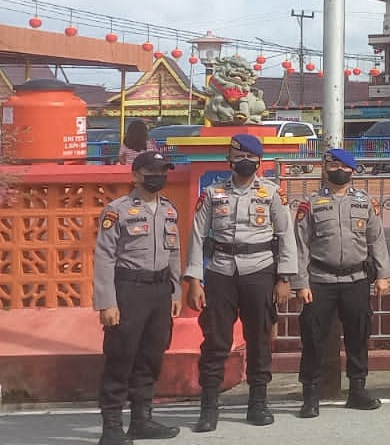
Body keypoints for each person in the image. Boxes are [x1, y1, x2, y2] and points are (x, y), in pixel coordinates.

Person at [184, 134, 297, 431]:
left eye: (250, 157)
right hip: (221, 272)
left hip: (260, 271)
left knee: (260, 339)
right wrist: (194, 279)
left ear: (259, 162)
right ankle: (209, 407)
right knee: (216, 340)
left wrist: (285, 277)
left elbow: (286, 236)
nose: (245, 162)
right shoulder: (212, 194)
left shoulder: (272, 194)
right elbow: (197, 236)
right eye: (239, 156)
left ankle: (258, 402)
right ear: (230, 159)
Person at [291, 148, 390, 417]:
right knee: (313, 338)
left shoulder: (364, 202)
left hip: (356, 279)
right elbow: (300, 245)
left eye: (343, 166)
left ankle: (357, 390)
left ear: (352, 170)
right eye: (332, 165)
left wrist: (383, 275)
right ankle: (310, 395)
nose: (337, 170)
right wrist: (300, 283)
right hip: (320, 280)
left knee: (358, 336)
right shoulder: (310, 203)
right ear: (325, 169)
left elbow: (376, 240)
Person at [94, 151, 182, 445]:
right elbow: (104, 258)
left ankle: (141, 420)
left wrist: (175, 291)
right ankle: (112, 426)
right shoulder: (117, 211)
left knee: (151, 357)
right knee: (121, 356)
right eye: (151, 171)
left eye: (162, 170)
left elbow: (174, 253)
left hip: (159, 291)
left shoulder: (169, 210)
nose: (158, 176)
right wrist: (107, 302)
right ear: (135, 176)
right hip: (129, 289)